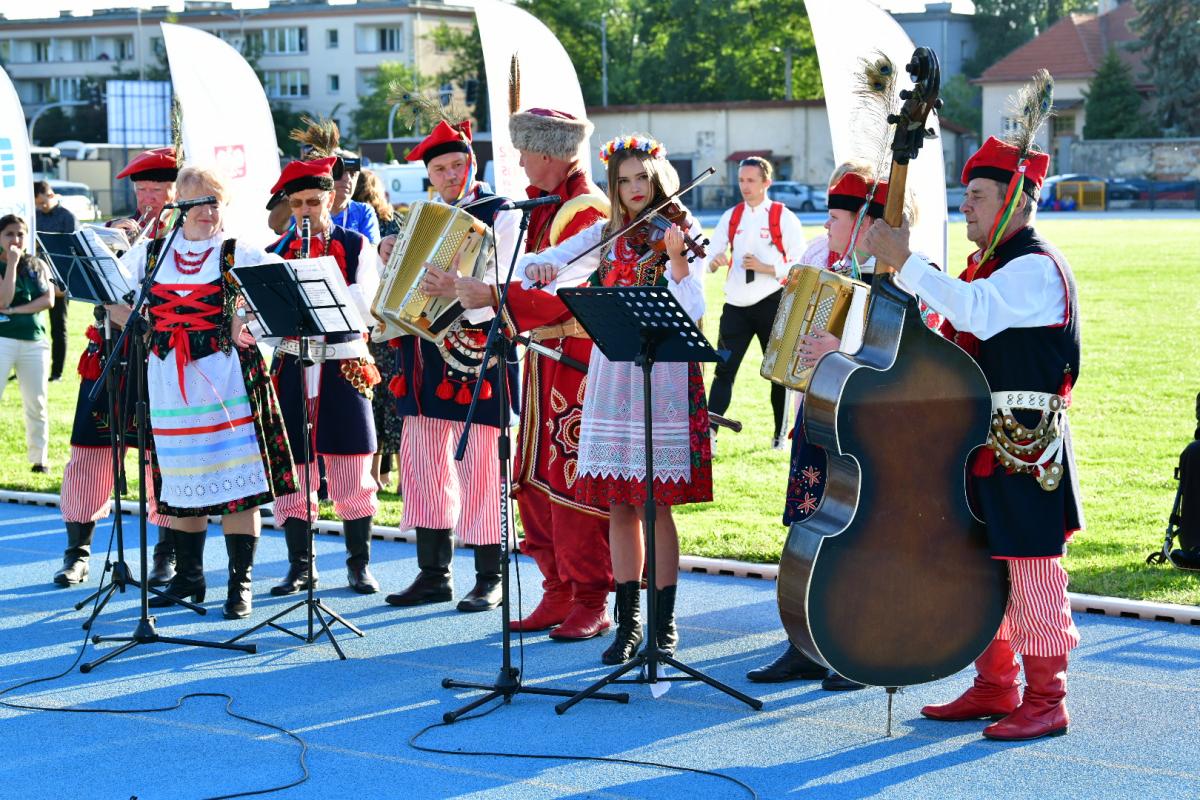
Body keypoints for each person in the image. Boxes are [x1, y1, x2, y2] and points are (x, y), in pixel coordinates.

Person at [863, 129, 1082, 741]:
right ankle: (995, 684)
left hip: (1026, 445)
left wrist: (906, 260)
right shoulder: (994, 269)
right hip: (985, 443)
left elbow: (974, 311)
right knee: (983, 566)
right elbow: (956, 317)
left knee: (1032, 568)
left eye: (979, 195)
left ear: (1016, 198)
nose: (967, 205)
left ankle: (1047, 697)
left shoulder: (1036, 268)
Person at [747, 161, 938, 691]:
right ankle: (805, 643)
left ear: (865, 222)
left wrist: (843, 352)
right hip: (820, 415)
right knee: (807, 523)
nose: (825, 226)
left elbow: (908, 356)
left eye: (835, 217)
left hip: (871, 426)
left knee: (860, 532)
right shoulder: (822, 260)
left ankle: (857, 642)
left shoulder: (904, 273)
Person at [520, 134, 712, 664]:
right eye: (624, 180)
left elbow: (693, 307)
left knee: (657, 505)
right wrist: (539, 264)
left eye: (642, 179)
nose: (633, 189)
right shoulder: (608, 234)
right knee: (621, 503)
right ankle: (627, 626)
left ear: (658, 179)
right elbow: (555, 260)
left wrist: (676, 265)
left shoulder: (682, 230)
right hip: (614, 375)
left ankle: (663, 625)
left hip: (664, 379)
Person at [456, 105, 614, 639]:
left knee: (570, 484)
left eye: (525, 153)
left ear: (547, 154)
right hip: (545, 363)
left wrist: (494, 295)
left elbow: (566, 293)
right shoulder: (545, 208)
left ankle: (592, 597)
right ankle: (558, 590)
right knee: (532, 482)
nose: (520, 164)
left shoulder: (587, 210)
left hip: (577, 365)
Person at [118, 166, 296, 619]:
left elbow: (284, 301)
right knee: (181, 482)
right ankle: (190, 577)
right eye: (197, 201)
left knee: (240, 485)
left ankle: (240, 584)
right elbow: (112, 297)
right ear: (178, 206)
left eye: (215, 201)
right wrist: (143, 324)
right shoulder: (153, 254)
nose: (207, 211)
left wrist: (248, 321)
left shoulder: (242, 253)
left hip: (227, 380)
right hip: (170, 385)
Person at [380, 118, 521, 613]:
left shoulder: (500, 212)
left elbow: (502, 281)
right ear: (429, 175)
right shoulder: (421, 217)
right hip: (420, 358)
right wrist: (387, 255)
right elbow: (400, 286)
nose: (450, 175)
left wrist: (456, 286)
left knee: (480, 465)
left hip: (475, 358)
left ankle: (490, 574)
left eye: (458, 164)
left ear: (473, 163)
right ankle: (433, 573)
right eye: (440, 169)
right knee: (421, 464)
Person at [53, 147, 178, 587]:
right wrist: (113, 247)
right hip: (111, 356)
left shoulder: (187, 239)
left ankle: (167, 553)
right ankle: (78, 552)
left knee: (161, 458)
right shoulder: (116, 231)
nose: (147, 201)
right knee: (88, 453)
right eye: (142, 190)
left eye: (157, 191)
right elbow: (83, 286)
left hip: (162, 361)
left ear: (176, 191)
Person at [266, 157, 383, 597]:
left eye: (313, 201)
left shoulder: (355, 245)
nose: (304, 211)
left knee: (352, 466)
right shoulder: (277, 251)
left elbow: (366, 307)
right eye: (296, 204)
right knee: (295, 468)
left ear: (331, 199)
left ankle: (359, 564)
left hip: (341, 363)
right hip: (293, 364)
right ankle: (301, 566)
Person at [704, 156, 805, 450]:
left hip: (770, 302)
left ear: (766, 183)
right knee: (723, 371)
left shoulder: (782, 217)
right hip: (735, 306)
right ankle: (710, 435)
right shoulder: (731, 216)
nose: (744, 186)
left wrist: (768, 267)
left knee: (776, 371)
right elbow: (710, 255)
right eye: (741, 180)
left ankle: (778, 437)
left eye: (751, 180)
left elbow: (800, 262)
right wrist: (715, 262)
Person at [352, 168, 403, 490]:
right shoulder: (396, 222)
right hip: (392, 319)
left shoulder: (359, 226)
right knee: (394, 400)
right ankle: (397, 478)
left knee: (374, 397)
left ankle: (375, 475)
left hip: (370, 320)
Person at [0, 215, 53, 475]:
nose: (16, 240)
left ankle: (39, 459)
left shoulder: (36, 265)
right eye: (9, 234)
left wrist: (15, 310)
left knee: (37, 402)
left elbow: (48, 300)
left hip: (35, 340)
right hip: (3, 339)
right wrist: (11, 264)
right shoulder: (5, 264)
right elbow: (2, 299)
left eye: (20, 234)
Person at [33, 180, 76, 382]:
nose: (41, 207)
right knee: (29, 322)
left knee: (58, 326)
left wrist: (63, 283)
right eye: (37, 204)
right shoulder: (35, 217)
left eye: (42, 203)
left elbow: (72, 251)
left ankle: (56, 372)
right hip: (35, 276)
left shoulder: (67, 217)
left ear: (50, 195)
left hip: (58, 277)